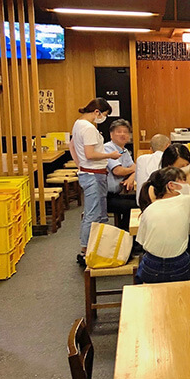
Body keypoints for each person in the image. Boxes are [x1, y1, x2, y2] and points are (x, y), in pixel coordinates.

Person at [68, 98, 119, 266]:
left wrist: (80, 165)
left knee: (96, 213)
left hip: (88, 172)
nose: (103, 118)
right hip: (94, 175)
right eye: (104, 114)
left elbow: (71, 146)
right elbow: (90, 154)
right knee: (93, 214)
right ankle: (85, 251)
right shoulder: (89, 128)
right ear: (97, 112)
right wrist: (110, 155)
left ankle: (94, 248)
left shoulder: (78, 124)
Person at [135, 167, 190, 283]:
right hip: (180, 268)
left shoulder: (148, 210)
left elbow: (142, 242)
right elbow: (189, 233)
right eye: (183, 180)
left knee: (143, 260)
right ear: (171, 185)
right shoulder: (188, 201)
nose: (187, 183)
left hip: (152, 269)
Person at [103, 119, 136, 231]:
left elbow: (135, 168)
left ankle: (125, 232)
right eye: (119, 131)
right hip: (105, 197)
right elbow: (117, 171)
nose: (122, 134)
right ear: (111, 135)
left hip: (117, 194)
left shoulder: (124, 151)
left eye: (125, 132)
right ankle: (124, 233)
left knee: (142, 199)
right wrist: (132, 170)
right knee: (134, 206)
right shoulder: (107, 148)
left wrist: (131, 178)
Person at [135, 134, 171, 206]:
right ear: (168, 146)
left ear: (151, 149)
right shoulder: (170, 160)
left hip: (141, 204)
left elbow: (136, 180)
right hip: (162, 205)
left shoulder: (140, 159)